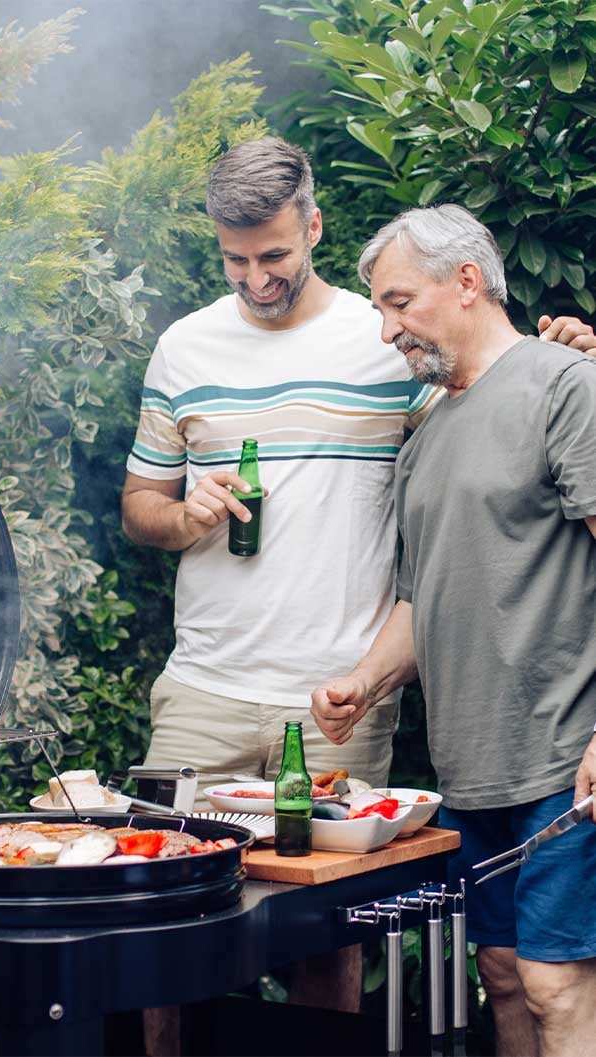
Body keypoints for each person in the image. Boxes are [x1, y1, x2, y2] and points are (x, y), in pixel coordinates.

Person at [121, 139, 595, 1036]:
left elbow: (506, 404)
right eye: (236, 259)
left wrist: (564, 357)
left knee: (336, 938)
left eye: (275, 255)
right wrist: (185, 517)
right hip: (219, 688)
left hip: (410, 711)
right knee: (171, 924)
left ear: (313, 227)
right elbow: (141, 501)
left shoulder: (417, 354)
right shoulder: (187, 346)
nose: (256, 277)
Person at [310, 203, 596, 1057]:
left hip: (562, 756)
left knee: (557, 985)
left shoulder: (564, 385)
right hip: (471, 768)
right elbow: (420, 596)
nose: (386, 326)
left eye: (399, 301)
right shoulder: (426, 430)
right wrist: (365, 680)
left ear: (466, 281)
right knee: (504, 975)